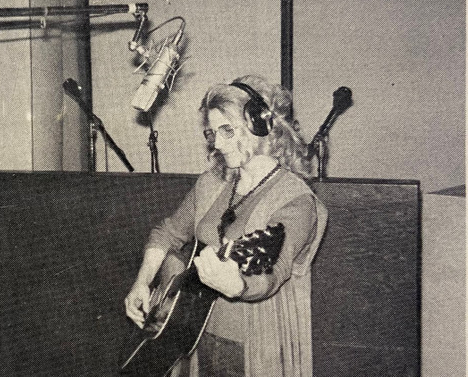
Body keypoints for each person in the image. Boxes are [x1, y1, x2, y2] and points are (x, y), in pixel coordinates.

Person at [124, 74, 328, 376]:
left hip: (254, 342)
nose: (217, 144)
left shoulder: (296, 201)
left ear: (261, 126)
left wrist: (239, 285)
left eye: (227, 130)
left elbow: (275, 272)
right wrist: (143, 281)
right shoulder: (212, 183)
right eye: (212, 133)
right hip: (194, 333)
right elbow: (167, 233)